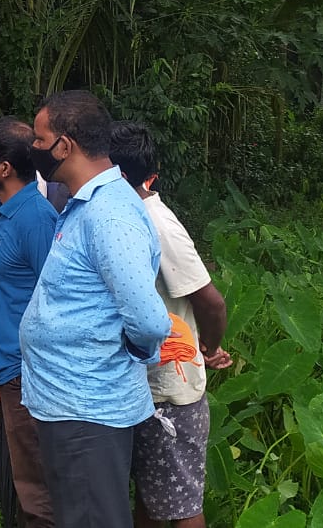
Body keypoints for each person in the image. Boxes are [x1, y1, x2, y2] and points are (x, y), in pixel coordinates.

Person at [21, 90, 172, 528]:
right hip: (70, 403)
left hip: (88, 408)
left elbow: (149, 321)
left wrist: (134, 349)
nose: (34, 147)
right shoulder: (86, 205)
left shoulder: (109, 215)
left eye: (39, 139)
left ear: (64, 146)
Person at [108, 121, 231, 528]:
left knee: (180, 504)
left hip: (170, 392)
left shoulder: (157, 223)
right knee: (152, 496)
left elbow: (211, 302)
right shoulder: (124, 215)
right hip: (141, 385)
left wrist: (208, 347)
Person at [0, 117, 58, 528]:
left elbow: (55, 297)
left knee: (37, 488)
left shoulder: (36, 219)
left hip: (29, 372)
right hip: (9, 369)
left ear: (5, 168)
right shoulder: (7, 213)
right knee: (21, 481)